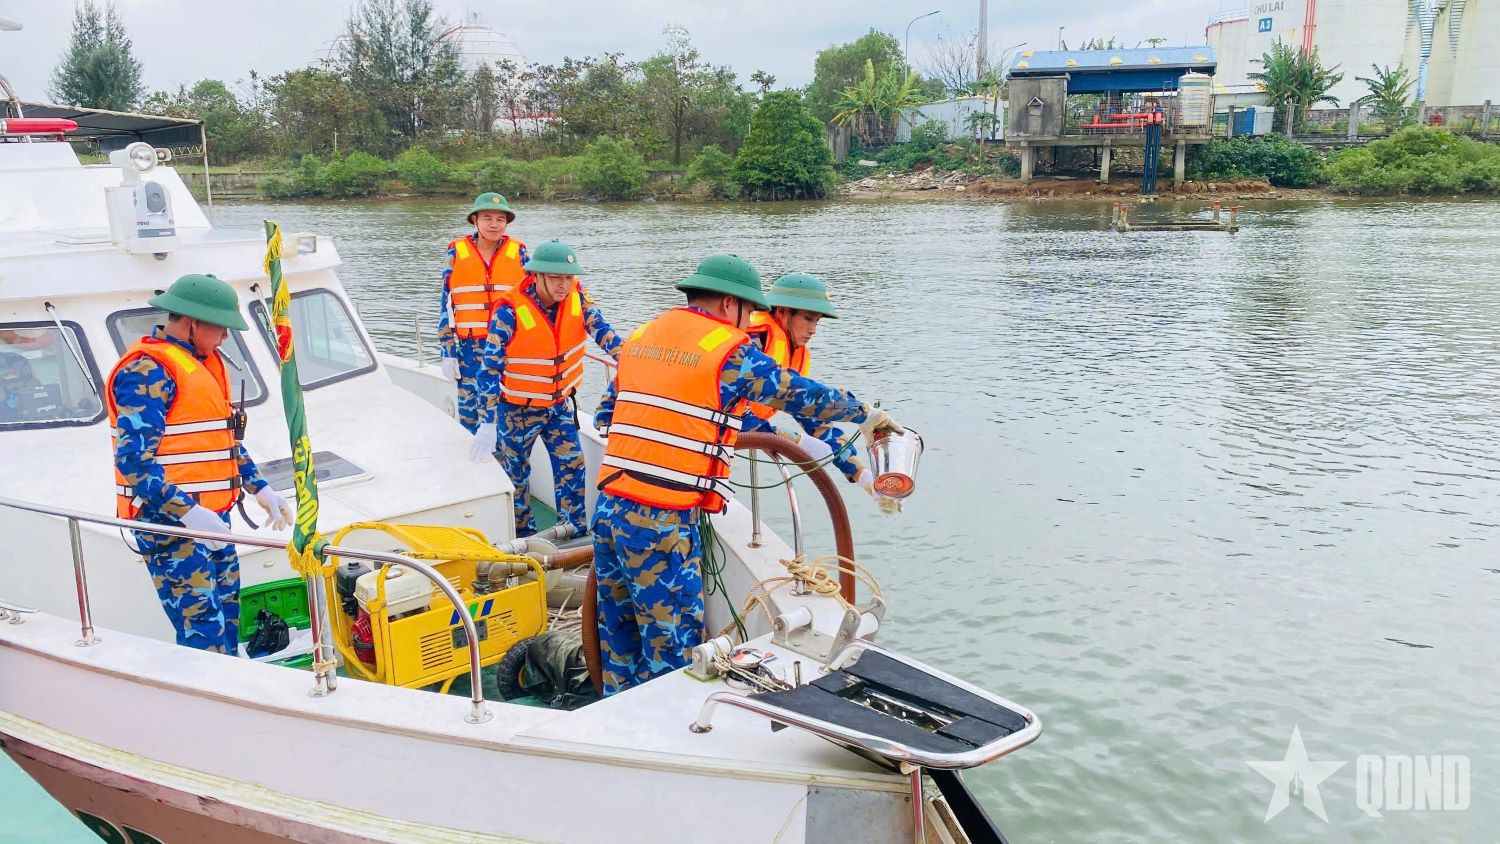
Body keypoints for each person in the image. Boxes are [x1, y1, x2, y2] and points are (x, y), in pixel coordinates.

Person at [590, 254, 902, 695]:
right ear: (728, 305)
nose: (747, 321)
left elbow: (607, 414)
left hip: (608, 508)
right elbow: (797, 395)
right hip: (662, 523)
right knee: (674, 653)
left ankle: (616, 722)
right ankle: (670, 742)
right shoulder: (726, 348)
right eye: (747, 310)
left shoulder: (643, 336)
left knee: (618, 639)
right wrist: (864, 413)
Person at [106, 274, 293, 653]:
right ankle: (211, 700)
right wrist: (188, 512)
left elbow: (220, 442)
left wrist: (259, 487)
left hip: (213, 520)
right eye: (221, 328)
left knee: (228, 620)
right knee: (202, 632)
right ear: (192, 322)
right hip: (171, 528)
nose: (225, 337)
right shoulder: (146, 372)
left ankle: (233, 690)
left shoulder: (203, 363)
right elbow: (133, 462)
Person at [470, 239, 623, 536]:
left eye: (568, 277)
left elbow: (604, 333)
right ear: (536, 275)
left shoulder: (579, 298)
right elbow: (489, 369)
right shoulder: (509, 310)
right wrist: (486, 422)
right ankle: (523, 536)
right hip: (517, 410)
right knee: (515, 476)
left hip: (559, 406)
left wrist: (632, 360)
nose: (563, 285)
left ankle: (573, 531)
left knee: (573, 466)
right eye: (555, 277)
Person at [743, 272, 876, 497]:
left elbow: (812, 418)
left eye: (816, 321)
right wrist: (788, 440)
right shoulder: (752, 342)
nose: (813, 329)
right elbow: (725, 407)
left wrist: (861, 475)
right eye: (808, 318)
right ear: (783, 312)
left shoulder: (794, 352)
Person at [436, 192, 527, 433]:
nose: (494, 224)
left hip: (508, 346)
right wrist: (448, 350)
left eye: (500, 218)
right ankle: (474, 464)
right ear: (475, 220)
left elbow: (530, 301)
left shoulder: (519, 252)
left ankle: (503, 464)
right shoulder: (456, 252)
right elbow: (446, 303)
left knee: (506, 409)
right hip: (469, 348)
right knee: (470, 411)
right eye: (488, 217)